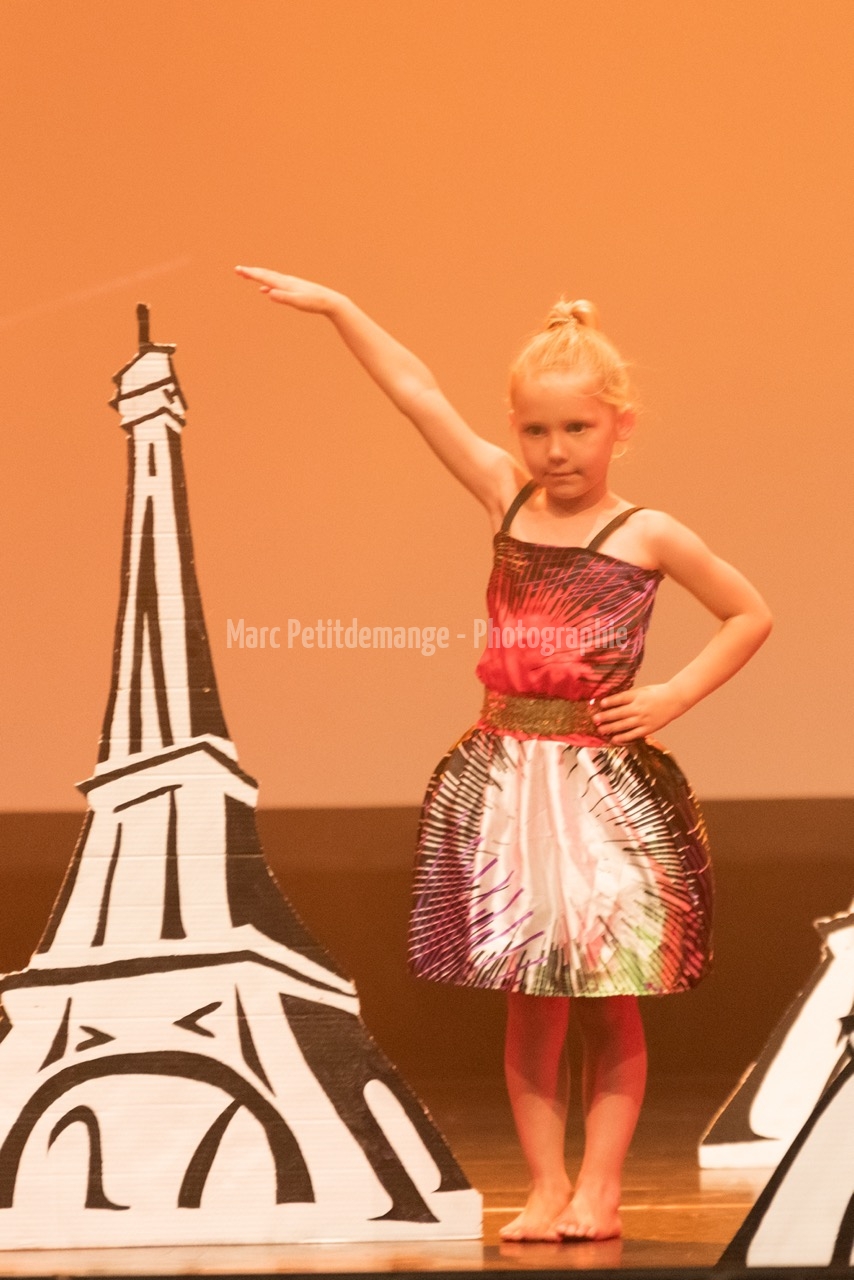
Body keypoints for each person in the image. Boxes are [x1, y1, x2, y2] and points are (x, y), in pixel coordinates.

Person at [234, 266, 773, 1242]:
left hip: (600, 789)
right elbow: (417, 393)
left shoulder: (646, 532)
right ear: (516, 431)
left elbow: (748, 612)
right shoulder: (505, 497)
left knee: (606, 996)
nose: (555, 449)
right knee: (530, 999)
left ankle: (600, 1188)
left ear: (619, 426)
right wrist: (343, 308)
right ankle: (545, 1184)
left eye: (577, 428)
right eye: (536, 430)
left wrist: (671, 696)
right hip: (509, 780)